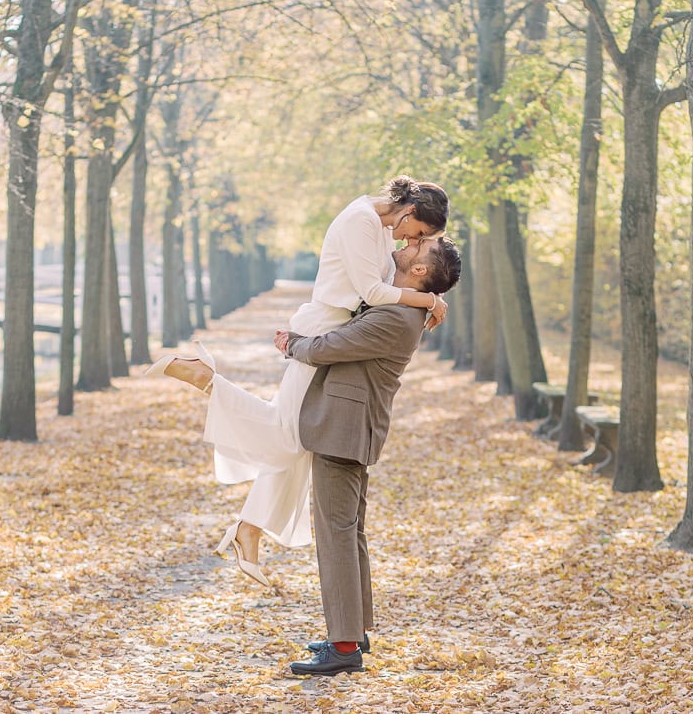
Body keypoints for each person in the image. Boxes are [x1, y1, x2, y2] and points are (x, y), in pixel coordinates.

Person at [147, 175, 450, 586]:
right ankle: (205, 380)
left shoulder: (377, 224)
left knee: (296, 441)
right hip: (325, 329)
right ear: (411, 213)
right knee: (287, 434)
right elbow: (374, 293)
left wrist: (427, 297)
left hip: (337, 331)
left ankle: (248, 530)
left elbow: (374, 289)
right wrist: (429, 298)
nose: (409, 242)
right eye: (419, 233)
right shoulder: (361, 220)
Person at [278, 236, 462, 676]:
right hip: (348, 429)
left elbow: (328, 347)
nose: (409, 243)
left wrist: (291, 344)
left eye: (419, 246)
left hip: (342, 431)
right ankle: (352, 633)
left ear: (418, 271)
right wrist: (433, 298)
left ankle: (344, 647)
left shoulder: (397, 318)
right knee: (348, 533)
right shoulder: (404, 304)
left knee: (336, 537)